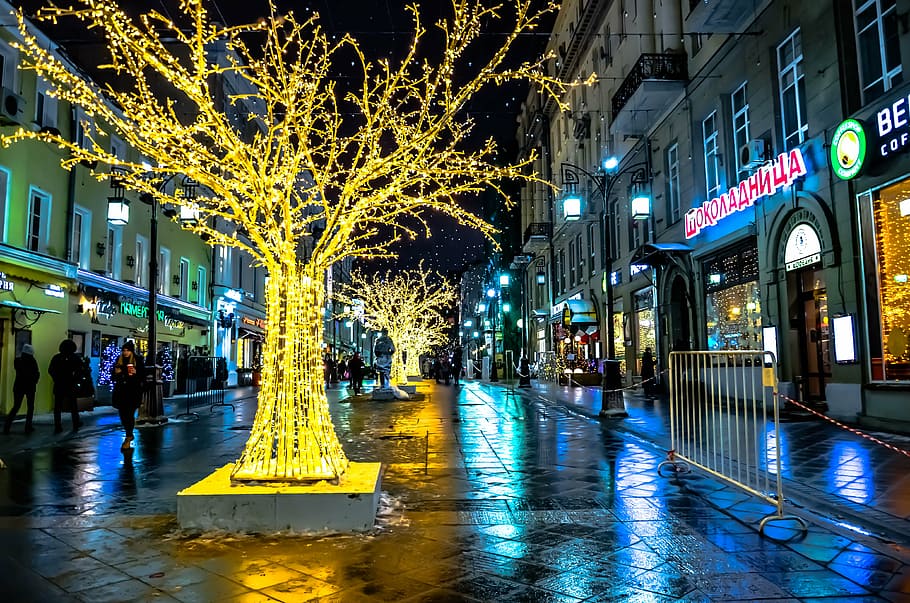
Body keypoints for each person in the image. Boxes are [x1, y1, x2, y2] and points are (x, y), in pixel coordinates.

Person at [111, 341, 146, 450]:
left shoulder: (137, 360)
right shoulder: (119, 360)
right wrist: (116, 373)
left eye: (128, 350)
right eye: (124, 350)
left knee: (129, 414)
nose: (125, 352)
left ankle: (128, 436)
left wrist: (136, 373)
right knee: (122, 415)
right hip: (121, 392)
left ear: (131, 351)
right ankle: (129, 434)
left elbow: (142, 376)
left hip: (133, 392)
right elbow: (113, 376)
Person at [4, 344, 40, 434]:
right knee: (30, 407)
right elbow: (36, 373)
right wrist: (34, 381)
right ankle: (28, 427)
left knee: (16, 406)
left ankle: (7, 427)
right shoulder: (32, 361)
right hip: (30, 387)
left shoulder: (18, 360)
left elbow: (20, 371)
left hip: (18, 386)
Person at [48, 339, 82, 434]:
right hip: (70, 385)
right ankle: (76, 423)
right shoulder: (75, 358)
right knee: (73, 406)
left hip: (59, 385)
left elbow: (50, 370)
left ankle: (57, 425)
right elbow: (80, 371)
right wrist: (75, 380)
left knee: (57, 406)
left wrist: (56, 378)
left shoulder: (57, 357)